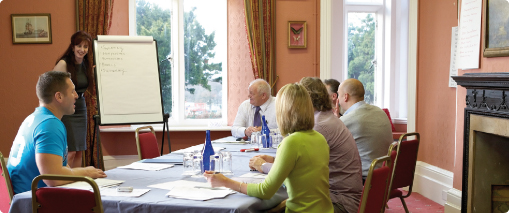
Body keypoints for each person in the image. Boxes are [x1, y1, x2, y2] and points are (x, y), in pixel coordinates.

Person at [205, 83, 333, 213]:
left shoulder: (291, 142)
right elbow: (302, 166)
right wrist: (274, 159)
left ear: (284, 112)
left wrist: (225, 182)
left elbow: (265, 191)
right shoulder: (319, 138)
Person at [249, 77, 363, 213]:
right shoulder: (325, 118)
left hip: (338, 202)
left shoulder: (318, 126)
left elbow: (291, 173)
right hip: (341, 197)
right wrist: (274, 160)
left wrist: (262, 165)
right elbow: (305, 163)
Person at [7, 71, 106, 194]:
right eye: (72, 91)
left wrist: (82, 172)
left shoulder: (34, 118)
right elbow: (52, 178)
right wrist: (86, 172)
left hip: (21, 198)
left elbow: (59, 168)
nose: (76, 95)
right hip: (30, 201)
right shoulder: (49, 124)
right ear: (59, 97)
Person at [337, 78, 393, 180]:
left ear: (345, 96)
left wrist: (337, 120)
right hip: (385, 175)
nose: (338, 100)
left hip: (365, 178)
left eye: (338, 95)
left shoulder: (346, 120)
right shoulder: (380, 112)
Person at [53, 31, 93, 168]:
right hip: (67, 108)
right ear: (72, 47)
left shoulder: (86, 64)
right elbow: (52, 89)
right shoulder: (63, 64)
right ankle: (64, 181)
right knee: (71, 151)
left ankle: (77, 181)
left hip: (80, 106)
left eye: (85, 47)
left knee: (79, 150)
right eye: (79, 46)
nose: (82, 50)